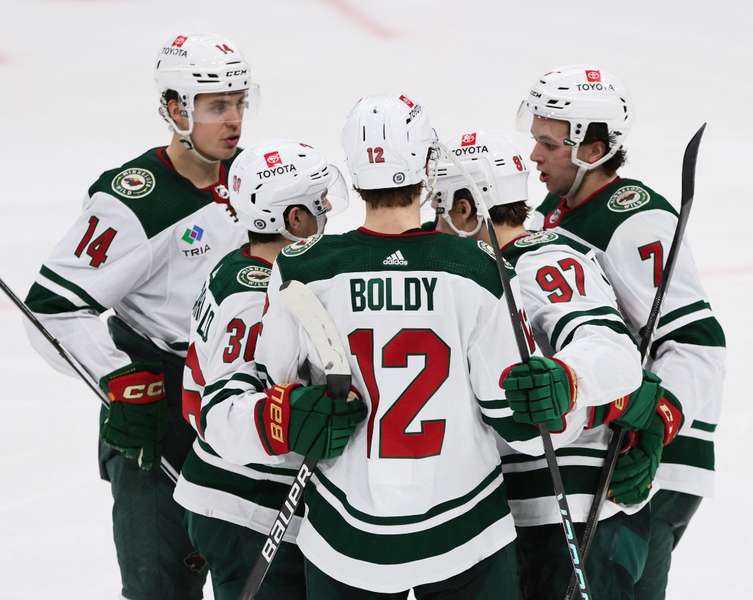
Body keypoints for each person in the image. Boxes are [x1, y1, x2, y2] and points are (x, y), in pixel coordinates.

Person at [254, 95, 561, 599]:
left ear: (353, 173)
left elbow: (274, 388)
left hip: (348, 537)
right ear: (424, 167)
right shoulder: (479, 267)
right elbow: (517, 421)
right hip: (469, 529)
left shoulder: (302, 268)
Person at [22, 32, 256, 599]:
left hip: (239, 402)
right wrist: (118, 376)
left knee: (256, 579)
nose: (235, 121)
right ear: (177, 109)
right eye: (217, 106)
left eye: (240, 103)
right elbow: (52, 311)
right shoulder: (134, 201)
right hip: (158, 411)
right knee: (160, 588)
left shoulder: (255, 181)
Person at [431, 129, 685, 599]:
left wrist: (569, 380)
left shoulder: (540, 260)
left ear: (464, 210)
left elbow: (608, 348)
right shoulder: (471, 277)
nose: (432, 226)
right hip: (515, 518)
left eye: (438, 209)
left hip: (577, 513)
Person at [517, 65, 727, 598]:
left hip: (650, 470)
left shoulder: (634, 221)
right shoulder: (551, 214)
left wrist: (658, 422)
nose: (535, 155)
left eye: (549, 143)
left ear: (592, 147)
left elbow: (695, 344)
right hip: (600, 463)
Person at [174, 141, 348, 599]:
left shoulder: (244, 264)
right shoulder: (254, 296)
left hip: (234, 496)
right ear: (293, 219)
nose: (328, 208)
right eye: (319, 201)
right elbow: (227, 403)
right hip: (244, 505)